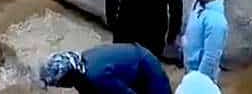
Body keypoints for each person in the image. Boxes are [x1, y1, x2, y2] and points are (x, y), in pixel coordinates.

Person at [39, 44, 172, 94]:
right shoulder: (82, 64)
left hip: (147, 68)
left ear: (68, 77)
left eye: (58, 83)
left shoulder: (98, 76)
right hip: (132, 64)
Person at [180, 0, 228, 83]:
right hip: (190, 70)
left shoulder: (216, 21)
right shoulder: (197, 3)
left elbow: (211, 57)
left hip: (201, 77)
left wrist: (199, 81)